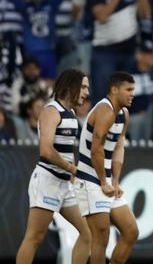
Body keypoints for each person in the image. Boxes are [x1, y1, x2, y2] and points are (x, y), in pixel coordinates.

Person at [16, 69, 91, 264]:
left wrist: (75, 177)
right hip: (47, 181)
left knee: (88, 233)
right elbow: (46, 151)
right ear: (70, 87)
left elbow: (68, 153)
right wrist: (73, 169)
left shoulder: (72, 115)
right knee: (34, 238)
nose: (86, 93)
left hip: (65, 184)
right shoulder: (51, 111)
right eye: (83, 87)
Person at [74, 71, 139, 264]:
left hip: (106, 180)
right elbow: (96, 150)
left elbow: (118, 148)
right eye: (128, 89)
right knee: (101, 235)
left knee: (131, 231)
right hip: (89, 178)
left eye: (133, 90)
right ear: (114, 89)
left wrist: (115, 181)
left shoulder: (124, 114)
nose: (132, 94)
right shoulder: (104, 110)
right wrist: (103, 181)